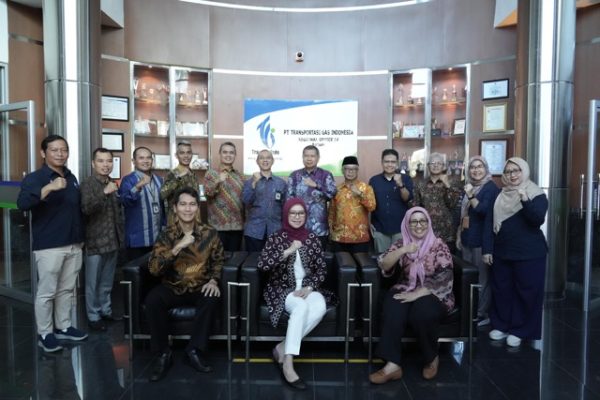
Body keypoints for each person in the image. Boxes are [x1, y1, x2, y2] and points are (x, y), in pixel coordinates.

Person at [145, 187, 225, 381]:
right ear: (175, 208)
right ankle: (163, 354)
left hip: (200, 286)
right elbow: (154, 269)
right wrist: (177, 247)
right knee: (153, 300)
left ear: (197, 207)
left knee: (211, 297)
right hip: (172, 286)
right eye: (183, 204)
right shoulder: (166, 235)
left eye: (192, 204)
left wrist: (213, 280)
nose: (187, 209)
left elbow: (218, 260)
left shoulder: (209, 233)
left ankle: (194, 351)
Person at [17, 135, 88, 352]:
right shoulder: (35, 178)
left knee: (66, 290)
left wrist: (81, 239)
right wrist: (48, 188)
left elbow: (75, 209)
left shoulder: (71, 177)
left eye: (64, 150)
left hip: (74, 243)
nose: (60, 154)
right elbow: (23, 204)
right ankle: (45, 333)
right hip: (50, 245)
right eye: (54, 150)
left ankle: (63, 326)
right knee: (47, 292)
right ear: (43, 153)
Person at [257, 198, 337, 390]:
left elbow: (321, 270)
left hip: (307, 287)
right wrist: (289, 250)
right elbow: (263, 264)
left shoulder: (312, 238)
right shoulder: (276, 238)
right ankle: (288, 363)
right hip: (282, 288)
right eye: (293, 213)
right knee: (300, 306)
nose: (297, 216)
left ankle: (282, 347)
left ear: (305, 216)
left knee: (320, 305)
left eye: (301, 213)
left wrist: (309, 287)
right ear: (286, 214)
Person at [369, 207, 454, 384]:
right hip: (406, 287)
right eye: (413, 221)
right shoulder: (401, 243)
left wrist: (416, 295)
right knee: (393, 307)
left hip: (434, 292)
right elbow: (384, 264)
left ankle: (431, 358)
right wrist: (404, 250)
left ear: (428, 223)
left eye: (422, 221)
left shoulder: (438, 245)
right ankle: (392, 365)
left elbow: (444, 277)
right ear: (407, 225)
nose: (418, 225)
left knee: (422, 312)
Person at [488, 157, 548, 348]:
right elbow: (490, 223)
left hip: (529, 253)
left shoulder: (536, 194)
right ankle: (502, 325)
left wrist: (524, 200)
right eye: (508, 171)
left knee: (526, 292)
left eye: (516, 170)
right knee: (502, 290)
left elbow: (537, 220)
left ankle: (520, 330)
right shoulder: (501, 194)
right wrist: (489, 249)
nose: (512, 175)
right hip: (503, 251)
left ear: (524, 171)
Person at [80, 147, 124, 331]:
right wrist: (104, 192)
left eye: (109, 161)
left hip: (112, 240)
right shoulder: (88, 184)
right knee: (92, 282)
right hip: (95, 242)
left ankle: (106, 310)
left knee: (107, 281)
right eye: (101, 161)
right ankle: (93, 316)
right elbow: (86, 208)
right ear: (93, 163)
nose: (105, 165)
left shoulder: (112, 183)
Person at [456, 156, 500, 327]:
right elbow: (463, 215)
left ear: (486, 168)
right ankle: (470, 311)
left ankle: (481, 313)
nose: (476, 170)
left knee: (482, 279)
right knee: (469, 278)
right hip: (467, 238)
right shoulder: (471, 186)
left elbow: (483, 210)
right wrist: (459, 235)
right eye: (472, 167)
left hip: (482, 241)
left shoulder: (490, 187)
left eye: (479, 166)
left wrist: (470, 195)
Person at [119, 146, 164, 262]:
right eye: (141, 158)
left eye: (148, 158)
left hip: (157, 238)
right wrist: (138, 186)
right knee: (136, 272)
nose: (146, 161)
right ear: (134, 161)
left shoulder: (159, 180)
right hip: (137, 239)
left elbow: (163, 206)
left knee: (154, 271)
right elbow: (125, 201)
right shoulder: (128, 180)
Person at [287, 145, 337, 250]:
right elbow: (289, 200)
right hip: (298, 226)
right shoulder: (294, 175)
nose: (309, 159)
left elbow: (332, 194)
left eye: (312, 156)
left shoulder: (326, 175)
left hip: (319, 228)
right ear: (302, 157)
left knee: (319, 257)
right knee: (298, 257)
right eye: (306, 156)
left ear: (318, 158)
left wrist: (316, 185)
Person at [412, 152, 462, 252]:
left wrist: (447, 184)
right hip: (426, 230)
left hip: (447, 231)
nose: (435, 165)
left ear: (443, 166)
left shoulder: (452, 183)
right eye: (433, 163)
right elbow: (416, 207)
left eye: (439, 163)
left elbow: (453, 204)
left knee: (446, 259)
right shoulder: (420, 184)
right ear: (428, 166)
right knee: (427, 259)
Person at [369, 149, 414, 253]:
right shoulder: (374, 180)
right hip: (380, 229)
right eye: (386, 161)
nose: (389, 164)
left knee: (400, 259)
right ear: (382, 162)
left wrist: (401, 185)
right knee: (381, 259)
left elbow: (407, 198)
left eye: (393, 162)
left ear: (397, 163)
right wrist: (368, 223)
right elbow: (369, 203)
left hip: (400, 229)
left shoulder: (406, 178)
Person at [328, 156, 376, 253]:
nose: (350, 172)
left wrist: (360, 194)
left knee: (360, 263)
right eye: (347, 169)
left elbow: (372, 207)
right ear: (342, 170)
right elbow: (332, 212)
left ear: (357, 171)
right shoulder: (337, 190)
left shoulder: (366, 188)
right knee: (340, 263)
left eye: (354, 169)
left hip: (359, 238)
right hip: (339, 237)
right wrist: (330, 231)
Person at [242, 149, 287, 252]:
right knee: (253, 260)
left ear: (273, 161)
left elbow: (285, 207)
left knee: (275, 260)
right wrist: (254, 184)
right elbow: (246, 201)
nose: (265, 160)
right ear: (257, 161)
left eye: (268, 158)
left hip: (275, 231)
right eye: (262, 158)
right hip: (254, 231)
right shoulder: (249, 182)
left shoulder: (281, 183)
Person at [204, 142, 244, 251]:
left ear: (235, 155)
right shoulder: (211, 174)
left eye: (231, 152)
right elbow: (207, 194)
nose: (228, 155)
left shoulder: (240, 176)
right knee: (217, 258)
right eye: (225, 152)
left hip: (236, 227)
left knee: (235, 259)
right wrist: (217, 180)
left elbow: (245, 200)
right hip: (217, 227)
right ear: (220, 154)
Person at [160, 140, 199, 224]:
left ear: (192, 155)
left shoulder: (193, 174)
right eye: (182, 153)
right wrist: (178, 178)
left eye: (188, 152)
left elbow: (196, 199)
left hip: (193, 220)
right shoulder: (172, 173)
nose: (186, 156)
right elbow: (162, 194)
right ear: (176, 155)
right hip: (176, 221)